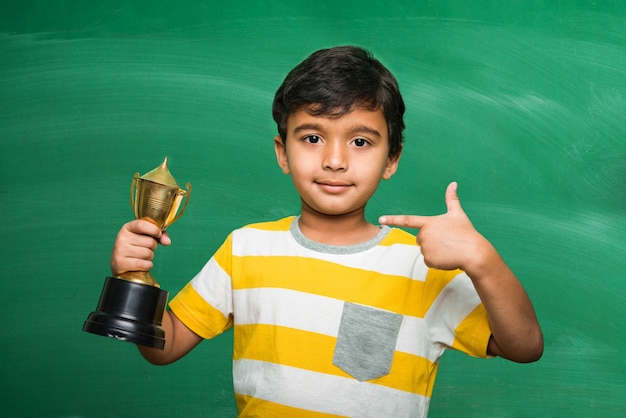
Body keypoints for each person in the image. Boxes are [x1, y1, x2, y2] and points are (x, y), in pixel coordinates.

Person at [110, 46, 543, 417]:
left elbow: (524, 347)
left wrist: (482, 260)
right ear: (283, 152)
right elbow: (161, 349)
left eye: (360, 142)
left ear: (391, 158)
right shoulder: (246, 249)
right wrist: (133, 275)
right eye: (312, 138)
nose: (335, 160)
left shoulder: (420, 264)